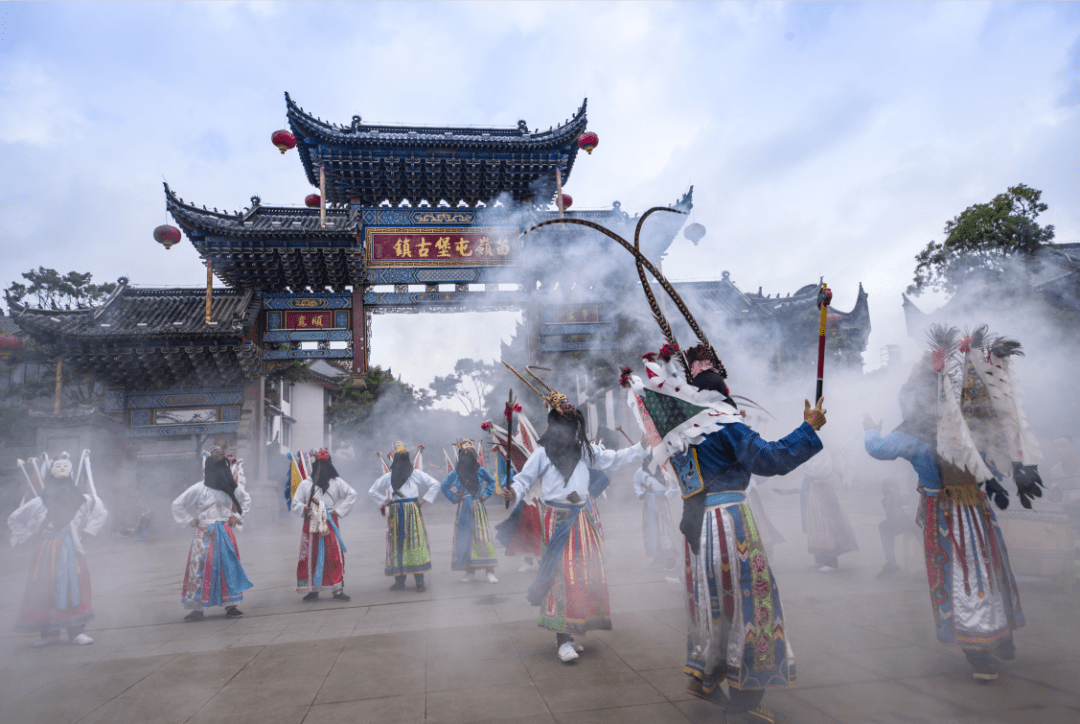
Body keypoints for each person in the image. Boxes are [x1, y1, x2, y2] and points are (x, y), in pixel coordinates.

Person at [625, 343, 826, 718]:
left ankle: (705, 677)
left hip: (697, 529)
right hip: (730, 523)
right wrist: (808, 429)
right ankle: (746, 700)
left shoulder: (679, 435)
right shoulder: (724, 423)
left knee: (712, 608)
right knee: (749, 609)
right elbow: (770, 459)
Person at [863, 339, 1025, 682]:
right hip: (979, 511)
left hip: (946, 515)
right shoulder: (974, 423)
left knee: (961, 576)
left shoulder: (916, 432)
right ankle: (1003, 638)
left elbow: (877, 449)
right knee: (990, 569)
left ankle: (979, 653)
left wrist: (869, 429)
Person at [500, 367, 647, 664]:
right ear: (555, 423)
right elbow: (524, 480)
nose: (570, 426)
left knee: (585, 573)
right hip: (557, 518)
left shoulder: (584, 450)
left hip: (583, 515)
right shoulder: (541, 453)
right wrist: (512, 492)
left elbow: (615, 459)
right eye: (565, 420)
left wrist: (642, 447)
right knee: (560, 575)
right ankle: (562, 638)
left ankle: (576, 628)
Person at [9, 456, 107, 646]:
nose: (61, 469)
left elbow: (100, 511)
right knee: (43, 588)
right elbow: (15, 519)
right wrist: (28, 535)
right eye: (57, 468)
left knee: (74, 586)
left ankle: (76, 631)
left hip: (71, 548)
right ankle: (49, 634)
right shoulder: (39, 502)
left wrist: (87, 532)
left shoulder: (81, 500)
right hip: (44, 550)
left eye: (65, 468)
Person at [171, 447, 254, 621]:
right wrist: (189, 520)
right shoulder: (199, 488)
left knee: (228, 568)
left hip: (223, 530)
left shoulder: (230, 485)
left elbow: (246, 499)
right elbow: (177, 504)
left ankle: (231, 606)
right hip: (205, 533)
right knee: (199, 568)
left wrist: (236, 516)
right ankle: (197, 608)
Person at [369, 441, 440, 592]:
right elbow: (372, 490)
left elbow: (435, 484)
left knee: (414, 544)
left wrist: (424, 499)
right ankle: (399, 581)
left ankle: (419, 582)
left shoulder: (415, 474)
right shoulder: (389, 477)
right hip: (396, 512)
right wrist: (384, 500)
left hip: (412, 512)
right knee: (397, 545)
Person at [292, 449, 358, 602]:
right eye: (319, 464)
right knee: (311, 554)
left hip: (329, 520)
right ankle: (313, 589)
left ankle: (337, 589)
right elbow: (296, 502)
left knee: (332, 554)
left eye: (324, 464)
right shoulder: (306, 484)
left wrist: (338, 511)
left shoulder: (336, 482)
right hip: (311, 521)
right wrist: (304, 508)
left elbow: (352, 494)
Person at [440, 439, 499, 583]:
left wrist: (485, 494)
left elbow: (491, 481)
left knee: (483, 538)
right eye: (464, 454)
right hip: (463, 507)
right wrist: (454, 497)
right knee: (465, 539)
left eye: (470, 454)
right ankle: (470, 572)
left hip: (478, 505)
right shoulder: (455, 472)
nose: (467, 457)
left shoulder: (480, 470)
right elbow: (444, 486)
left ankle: (489, 571)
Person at [799, 448, 858, 571]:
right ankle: (819, 559)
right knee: (815, 526)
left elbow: (816, 470)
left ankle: (831, 562)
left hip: (824, 491)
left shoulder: (823, 454)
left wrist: (802, 461)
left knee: (827, 525)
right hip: (813, 491)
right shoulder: (812, 452)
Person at [633, 455, 679, 569]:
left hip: (661, 501)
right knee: (651, 529)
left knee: (664, 529)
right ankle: (657, 557)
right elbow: (637, 484)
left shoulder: (664, 469)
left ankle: (670, 559)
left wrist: (667, 495)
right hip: (649, 502)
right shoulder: (640, 471)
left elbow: (675, 484)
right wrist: (641, 494)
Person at [877, 479, 918, 578]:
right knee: (884, 527)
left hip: (919, 519)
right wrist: (890, 501)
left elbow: (914, 504)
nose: (885, 490)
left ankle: (932, 563)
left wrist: (900, 499)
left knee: (886, 526)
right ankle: (892, 563)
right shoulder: (890, 494)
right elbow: (892, 515)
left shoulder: (913, 477)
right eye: (885, 489)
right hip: (904, 520)